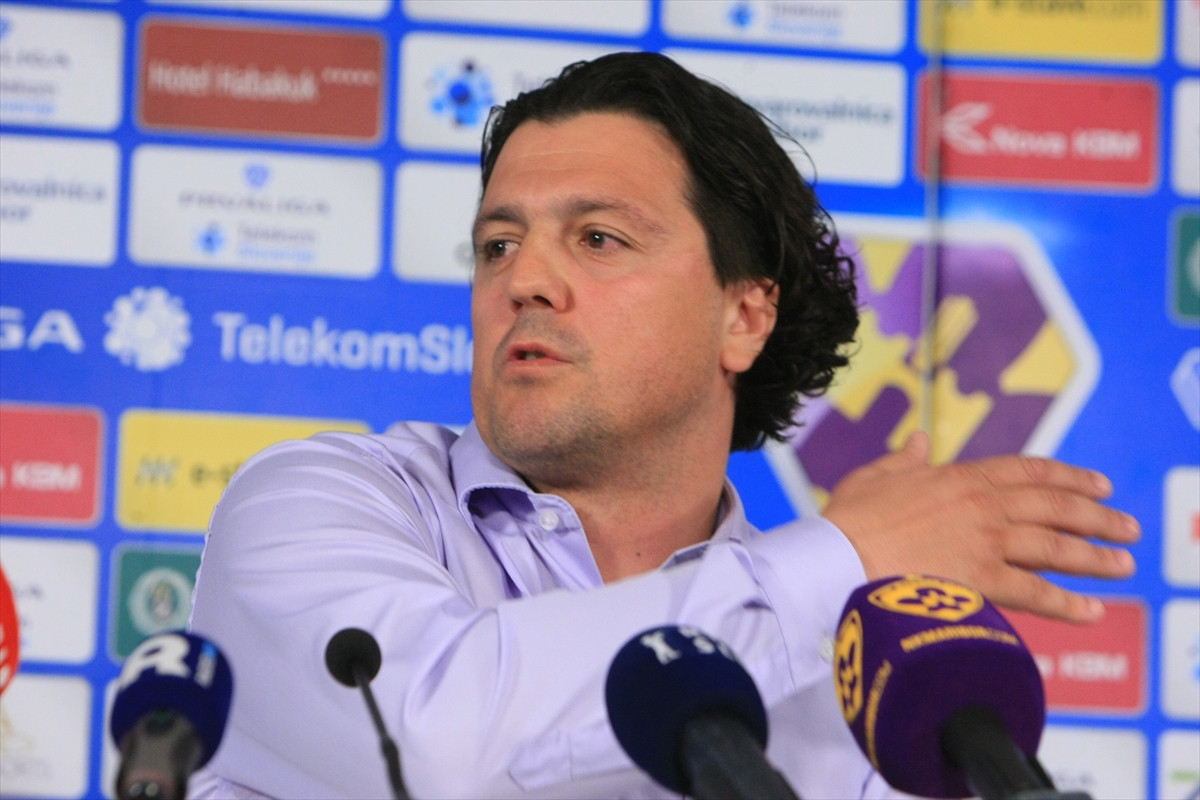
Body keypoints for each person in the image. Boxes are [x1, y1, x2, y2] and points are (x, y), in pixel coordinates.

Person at [187, 52, 1138, 800]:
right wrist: (849, 554)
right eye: (498, 245)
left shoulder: (839, 679)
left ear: (744, 317)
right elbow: (428, 746)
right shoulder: (319, 504)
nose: (524, 280)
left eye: (599, 238)